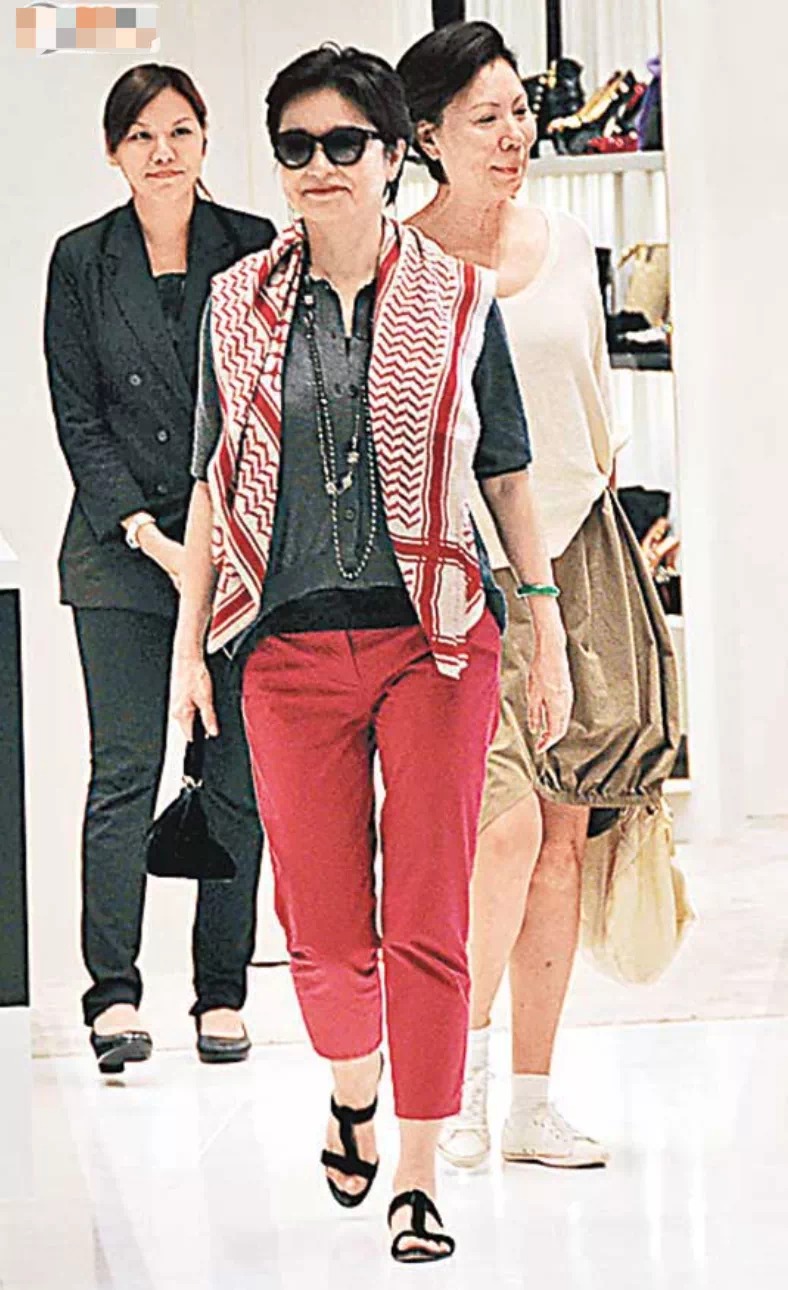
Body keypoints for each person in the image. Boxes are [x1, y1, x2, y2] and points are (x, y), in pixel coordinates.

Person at [170, 43, 571, 1263]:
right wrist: (188, 649)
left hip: (433, 639)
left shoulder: (456, 299)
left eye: (344, 142)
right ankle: (352, 1086)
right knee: (324, 932)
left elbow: (504, 469)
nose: (319, 165)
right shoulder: (235, 305)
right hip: (284, 648)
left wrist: (543, 623)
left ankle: (417, 1171)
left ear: (393, 155)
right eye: (295, 145)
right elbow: (209, 482)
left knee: (429, 912)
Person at [398, 21, 679, 1171]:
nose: (512, 134)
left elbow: (586, 402)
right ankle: (452, 1092)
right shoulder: (403, 266)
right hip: (460, 578)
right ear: (428, 136)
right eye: (485, 117)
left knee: (562, 834)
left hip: (577, 557)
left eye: (518, 110)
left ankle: (528, 1099)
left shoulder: (564, 242)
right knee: (497, 833)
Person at [44, 64, 275, 1074]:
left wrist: (220, 542)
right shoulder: (80, 260)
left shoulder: (255, 247)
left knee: (235, 778)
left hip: (240, 551)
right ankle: (114, 995)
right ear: (113, 151)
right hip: (120, 552)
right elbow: (78, 416)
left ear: (205, 139)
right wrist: (150, 534)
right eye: (140, 135)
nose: (162, 151)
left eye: (179, 130)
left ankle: (221, 993)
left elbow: (272, 404)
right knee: (126, 771)